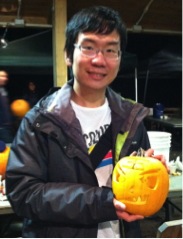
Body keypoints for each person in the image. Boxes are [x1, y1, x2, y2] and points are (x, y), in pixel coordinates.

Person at [6, 6, 168, 238]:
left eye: (111, 50)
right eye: (89, 47)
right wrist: (103, 203)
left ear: (119, 58)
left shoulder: (131, 118)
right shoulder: (40, 121)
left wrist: (152, 173)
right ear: (68, 55)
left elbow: (140, 196)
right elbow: (23, 194)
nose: (99, 60)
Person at [0, 70, 14, 143]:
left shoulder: (3, 90)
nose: (5, 78)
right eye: (2, 76)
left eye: (5, 76)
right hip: (2, 128)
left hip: (6, 127)